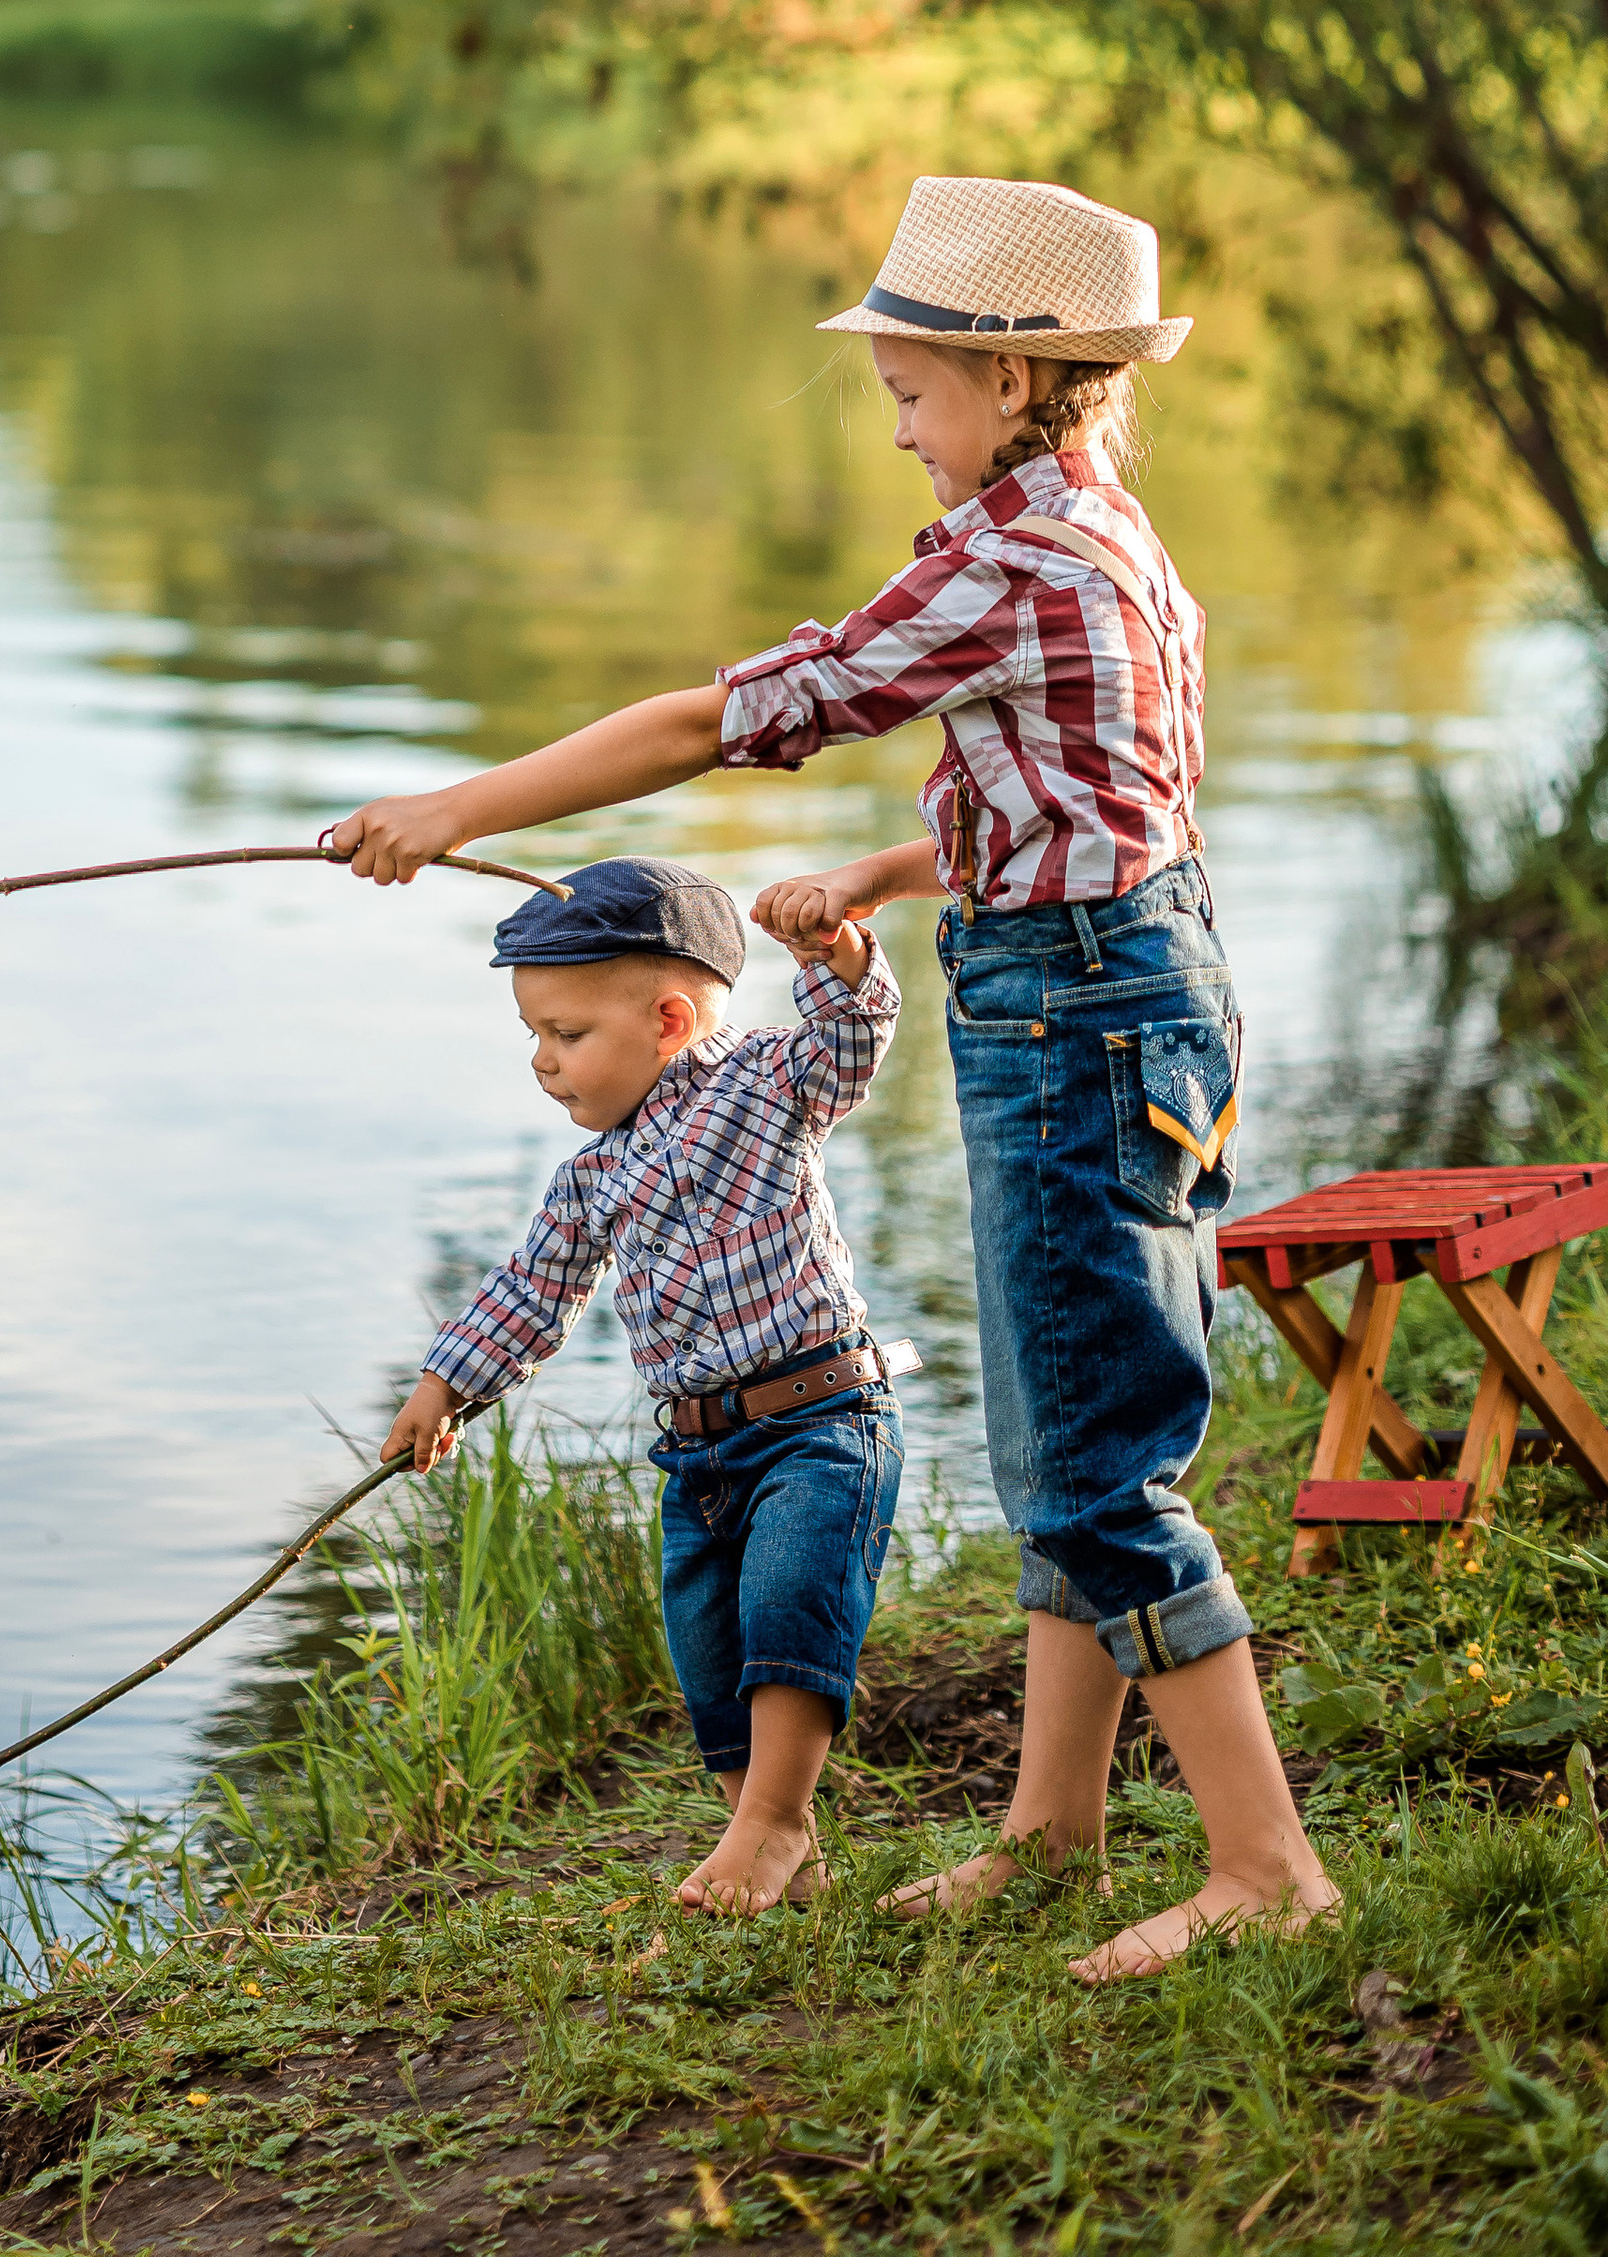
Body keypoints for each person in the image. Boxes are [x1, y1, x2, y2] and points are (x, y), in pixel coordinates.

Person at [336, 174, 1338, 1982]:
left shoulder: (1005, 561)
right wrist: (888, 878)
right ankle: (1051, 1831)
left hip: (1077, 1024)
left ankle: (1265, 1867)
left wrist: (454, 810)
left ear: (1017, 384)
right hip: (1136, 989)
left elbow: (720, 719)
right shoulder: (1114, 535)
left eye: (910, 393)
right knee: (1057, 1435)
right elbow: (1107, 811)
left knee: (1103, 1467)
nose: (895, 427)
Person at [381, 851, 903, 1918]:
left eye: (565, 1036)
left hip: (820, 1419)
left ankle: (772, 1825)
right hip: (699, 1455)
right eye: (534, 1035)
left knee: (787, 1608)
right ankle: (767, 1846)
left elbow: (850, 1042)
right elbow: (532, 1290)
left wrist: (835, 956)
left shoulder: (765, 1083)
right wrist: (445, 1383)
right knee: (709, 1647)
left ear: (669, 1020)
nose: (542, 1061)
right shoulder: (589, 1179)